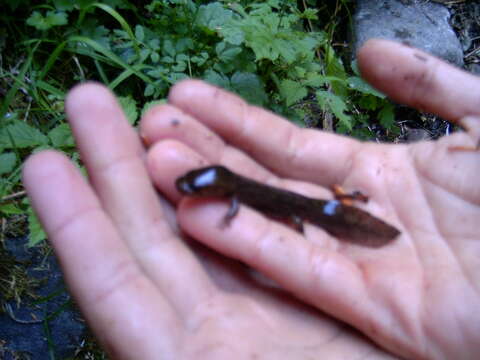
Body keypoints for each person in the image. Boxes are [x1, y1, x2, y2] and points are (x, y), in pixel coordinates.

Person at [23, 39, 480, 359]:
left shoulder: (233, 191)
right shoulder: (225, 186)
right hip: (280, 200)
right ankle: (324, 219)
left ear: (218, 185)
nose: (196, 192)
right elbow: (228, 194)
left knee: (307, 212)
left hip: (291, 204)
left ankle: (335, 223)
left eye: (198, 188)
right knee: (305, 211)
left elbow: (237, 199)